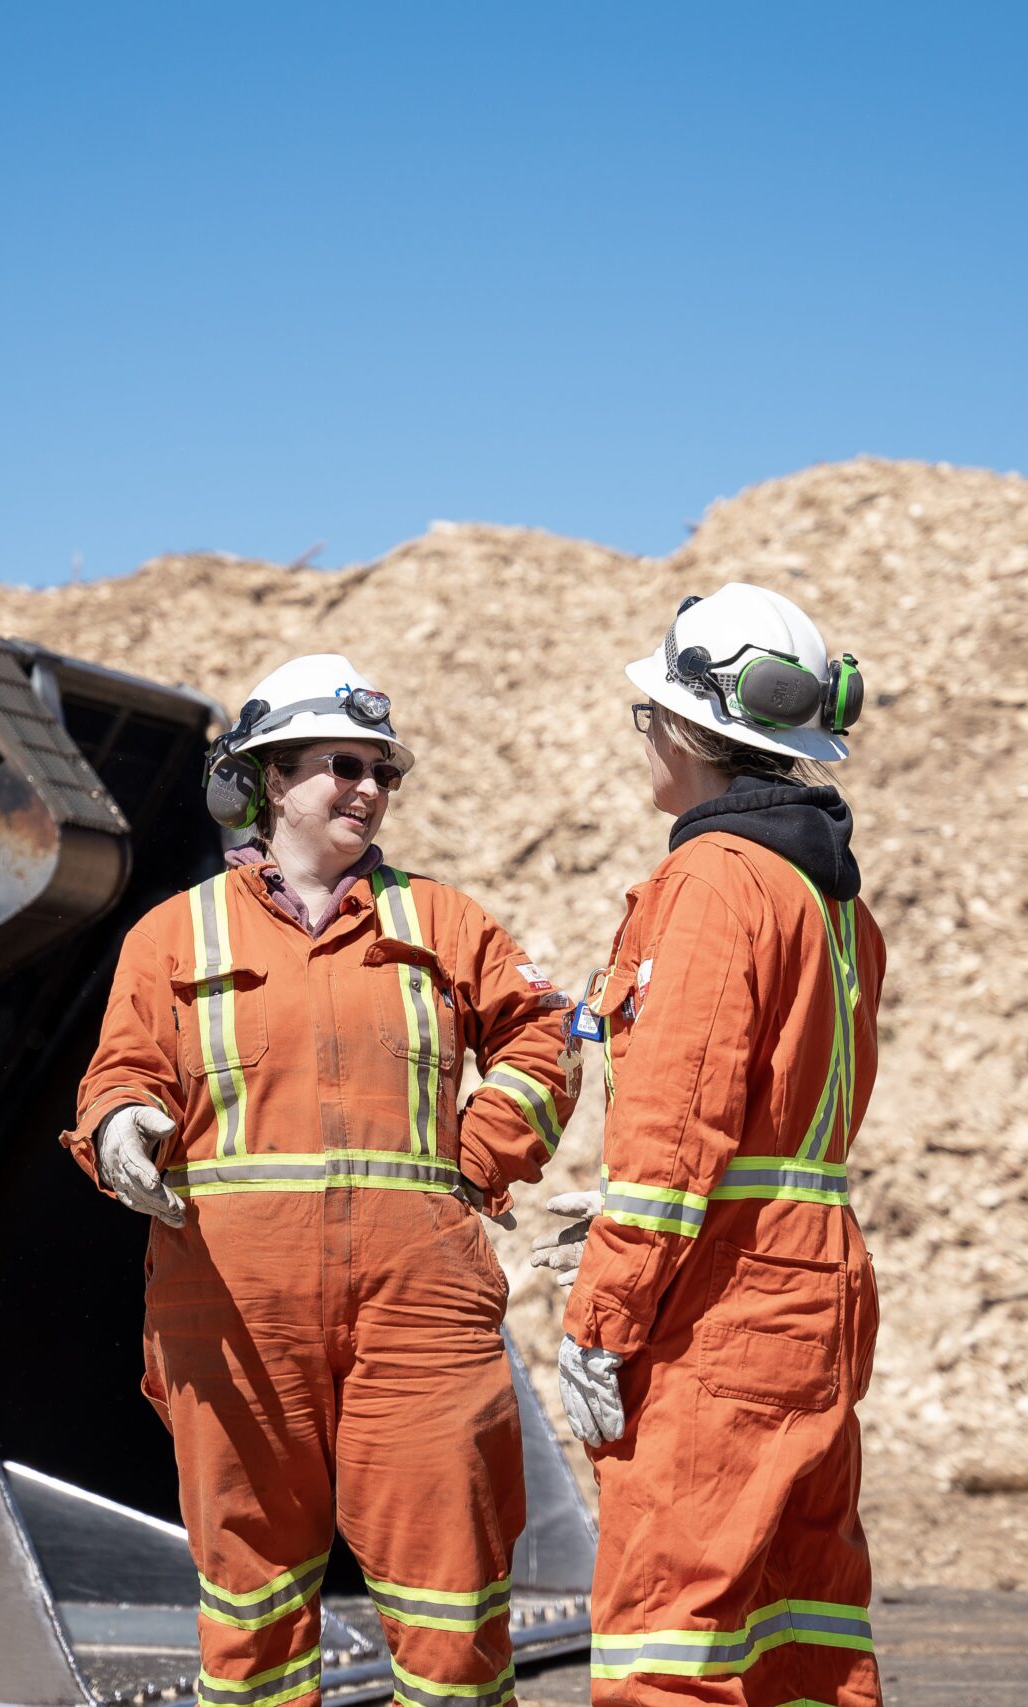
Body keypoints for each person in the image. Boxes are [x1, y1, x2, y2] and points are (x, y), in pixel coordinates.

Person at [61, 653, 576, 1707]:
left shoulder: (444, 923)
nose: (369, 789)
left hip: (420, 1311)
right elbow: (120, 1070)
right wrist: (120, 1131)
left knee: (451, 1607)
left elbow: (540, 1039)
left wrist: (478, 1159)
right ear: (268, 780)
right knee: (251, 1615)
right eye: (340, 765)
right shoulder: (176, 933)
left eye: (382, 770)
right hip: (234, 1316)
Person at [542, 586, 886, 1707]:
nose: (643, 741)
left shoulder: (710, 882)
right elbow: (773, 1124)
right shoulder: (831, 899)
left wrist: (600, 1321)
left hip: (720, 1311)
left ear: (689, 731)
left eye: (649, 719)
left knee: (670, 1642)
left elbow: (673, 1132)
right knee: (804, 1634)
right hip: (815, 1288)